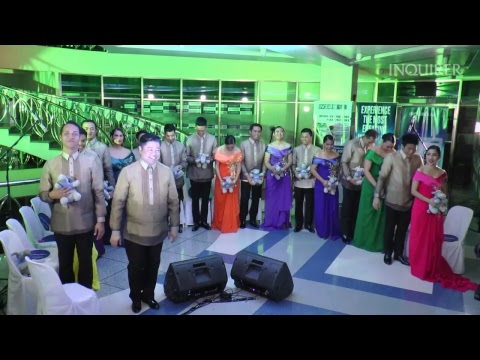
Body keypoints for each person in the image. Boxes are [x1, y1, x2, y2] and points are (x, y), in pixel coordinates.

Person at [109, 133, 180, 313]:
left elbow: (173, 201)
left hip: (158, 231)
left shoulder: (166, 171)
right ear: (140, 150)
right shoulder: (128, 172)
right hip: (134, 231)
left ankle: (148, 294)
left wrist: (174, 226)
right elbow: (118, 202)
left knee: (153, 265)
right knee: (136, 267)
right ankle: (135, 297)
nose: (154, 153)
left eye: (157, 149)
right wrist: (115, 230)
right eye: (150, 149)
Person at [39, 120, 106, 289]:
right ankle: (68, 303)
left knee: (86, 264)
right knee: (65, 266)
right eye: (66, 133)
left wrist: (100, 220)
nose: (71, 137)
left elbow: (98, 192)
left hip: (86, 223)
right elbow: (42, 193)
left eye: (75, 134)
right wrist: (53, 194)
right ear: (61, 137)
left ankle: (85, 300)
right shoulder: (50, 164)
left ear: (80, 138)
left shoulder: (91, 162)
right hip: (62, 225)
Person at [409, 145, 480, 298]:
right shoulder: (420, 171)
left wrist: (440, 204)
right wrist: (429, 200)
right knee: (419, 238)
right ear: (425, 155)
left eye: (434, 155)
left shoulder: (443, 173)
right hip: (421, 209)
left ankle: (430, 265)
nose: (431, 158)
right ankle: (419, 266)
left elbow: (445, 193)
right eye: (428, 154)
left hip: (436, 211)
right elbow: (413, 191)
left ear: (439, 157)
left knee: (433, 240)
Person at [373, 133, 423, 266]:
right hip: (392, 200)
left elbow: (421, 179)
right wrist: (376, 197)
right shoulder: (392, 157)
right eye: (409, 149)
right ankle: (388, 252)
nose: (411, 152)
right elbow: (382, 177)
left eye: (414, 149)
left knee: (402, 229)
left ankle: (399, 253)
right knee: (389, 228)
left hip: (409, 202)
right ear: (403, 146)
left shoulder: (417, 159)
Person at [352, 133, 396, 252]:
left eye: (392, 147)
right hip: (370, 184)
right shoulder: (372, 152)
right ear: (382, 141)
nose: (389, 149)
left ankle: (378, 242)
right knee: (367, 212)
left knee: (381, 213)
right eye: (387, 146)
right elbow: (366, 171)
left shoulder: (393, 153)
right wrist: (377, 186)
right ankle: (364, 240)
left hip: (385, 185)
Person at [340, 129, 378, 244]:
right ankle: (345, 233)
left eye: (373, 143)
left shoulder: (371, 147)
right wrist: (348, 177)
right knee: (347, 207)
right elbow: (344, 162)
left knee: (357, 208)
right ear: (366, 137)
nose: (372, 144)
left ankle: (354, 232)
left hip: (362, 182)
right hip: (349, 181)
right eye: (370, 142)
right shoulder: (352, 144)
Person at [185, 116, 217, 231]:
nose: (201, 132)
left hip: (207, 174)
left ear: (206, 128)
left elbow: (216, 155)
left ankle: (204, 221)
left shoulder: (212, 139)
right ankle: (196, 222)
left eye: (203, 130)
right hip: (194, 174)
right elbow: (186, 157)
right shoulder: (190, 139)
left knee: (205, 198)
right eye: (198, 130)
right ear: (195, 128)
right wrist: (195, 160)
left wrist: (210, 158)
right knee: (195, 199)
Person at [107, 127, 135, 245]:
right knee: (113, 210)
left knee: (126, 211)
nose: (118, 138)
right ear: (112, 137)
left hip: (127, 186)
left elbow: (134, 171)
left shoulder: (129, 152)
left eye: (121, 136)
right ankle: (110, 237)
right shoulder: (106, 151)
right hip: (111, 184)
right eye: (116, 136)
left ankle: (125, 239)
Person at [261, 126, 293, 231]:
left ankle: (283, 221)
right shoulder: (269, 147)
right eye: (277, 132)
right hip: (272, 176)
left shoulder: (288, 146)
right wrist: (274, 170)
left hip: (284, 176)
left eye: (282, 132)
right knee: (272, 199)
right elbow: (266, 162)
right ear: (274, 134)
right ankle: (271, 221)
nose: (280, 133)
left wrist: (282, 169)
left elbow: (290, 161)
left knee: (283, 198)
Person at [310, 135, 341, 240]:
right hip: (321, 184)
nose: (329, 146)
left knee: (333, 207)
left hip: (332, 184)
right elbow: (313, 170)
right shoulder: (318, 155)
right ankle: (323, 231)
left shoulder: (336, 154)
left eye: (331, 144)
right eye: (327, 144)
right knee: (321, 207)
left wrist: (336, 179)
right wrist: (322, 181)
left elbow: (338, 169)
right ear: (323, 144)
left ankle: (333, 230)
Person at [212, 135, 242, 233]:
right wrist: (220, 180)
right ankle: (220, 223)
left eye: (231, 147)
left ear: (234, 144)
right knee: (220, 201)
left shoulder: (238, 151)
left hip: (233, 178)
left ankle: (231, 223)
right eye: (228, 147)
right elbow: (216, 166)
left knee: (232, 202)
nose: (230, 149)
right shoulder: (219, 150)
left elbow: (239, 167)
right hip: (221, 178)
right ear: (225, 144)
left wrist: (235, 180)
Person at [160, 124, 187, 233]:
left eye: (172, 136)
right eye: (168, 136)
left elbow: (185, 161)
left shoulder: (181, 146)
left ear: (175, 134)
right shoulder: (160, 146)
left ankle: (177, 224)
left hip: (178, 180)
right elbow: (157, 163)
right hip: (164, 182)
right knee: (165, 204)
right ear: (164, 135)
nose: (171, 138)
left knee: (177, 202)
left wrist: (179, 167)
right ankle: (165, 225)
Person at [292, 128, 320, 233]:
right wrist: (295, 173)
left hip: (311, 182)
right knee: (298, 203)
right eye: (302, 136)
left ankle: (308, 224)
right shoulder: (296, 149)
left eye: (306, 137)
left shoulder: (317, 150)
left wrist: (312, 172)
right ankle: (298, 224)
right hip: (299, 181)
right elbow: (293, 164)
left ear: (311, 137)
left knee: (310, 204)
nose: (304, 139)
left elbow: (318, 165)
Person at [239, 123, 266, 229]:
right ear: (250, 132)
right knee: (244, 199)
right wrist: (247, 176)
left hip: (258, 177)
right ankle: (242, 219)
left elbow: (265, 161)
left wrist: (263, 174)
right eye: (255, 131)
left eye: (259, 131)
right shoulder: (243, 144)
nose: (257, 133)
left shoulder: (263, 145)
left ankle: (253, 219)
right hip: (246, 177)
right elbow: (241, 162)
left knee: (256, 199)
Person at [81, 119, 116, 188]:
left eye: (92, 129)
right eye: (86, 129)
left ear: (96, 131)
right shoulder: (76, 146)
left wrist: (112, 187)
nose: (89, 131)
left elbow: (108, 170)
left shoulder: (103, 147)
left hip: (98, 185)